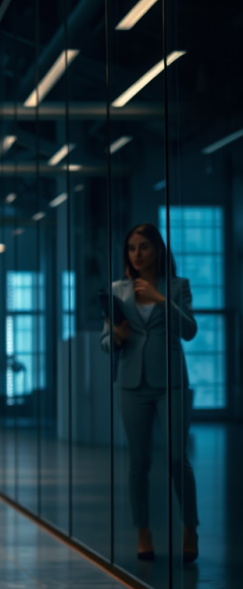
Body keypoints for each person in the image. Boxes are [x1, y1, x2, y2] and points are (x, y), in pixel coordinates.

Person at [101, 223, 199, 563]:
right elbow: (105, 343)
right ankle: (143, 532)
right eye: (131, 248)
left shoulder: (177, 286)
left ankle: (189, 526)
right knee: (138, 462)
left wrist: (161, 300)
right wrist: (117, 336)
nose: (137, 254)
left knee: (176, 458)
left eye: (143, 247)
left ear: (158, 250)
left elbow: (189, 331)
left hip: (170, 381)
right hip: (131, 382)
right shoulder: (118, 290)